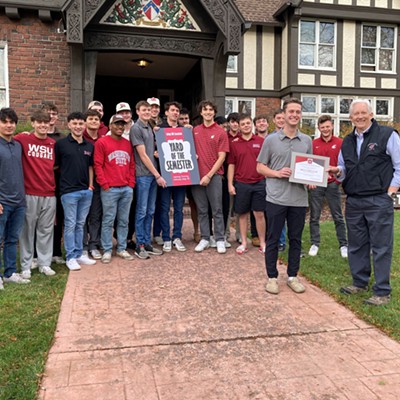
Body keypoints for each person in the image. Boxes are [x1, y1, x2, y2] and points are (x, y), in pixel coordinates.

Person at [328, 99, 400, 306]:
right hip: (354, 201)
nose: (359, 117)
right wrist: (337, 172)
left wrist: (391, 191)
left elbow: (399, 165)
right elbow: (344, 167)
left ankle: (382, 291)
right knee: (357, 245)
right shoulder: (347, 141)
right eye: (355, 114)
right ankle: (359, 282)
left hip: (379, 199)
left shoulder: (387, 135)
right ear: (350, 118)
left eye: (363, 113)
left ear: (371, 114)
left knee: (381, 246)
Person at [257, 98, 312, 295]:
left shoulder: (306, 141)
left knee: (295, 239)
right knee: (273, 239)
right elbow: (260, 166)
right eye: (291, 112)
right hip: (276, 198)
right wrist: (277, 173)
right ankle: (272, 277)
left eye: (298, 112)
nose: (295, 115)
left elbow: (311, 166)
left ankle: (292, 276)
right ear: (284, 114)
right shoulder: (271, 140)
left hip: (298, 199)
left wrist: (311, 179)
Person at [15, 111, 57, 279]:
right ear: (32, 123)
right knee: (27, 230)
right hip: (30, 191)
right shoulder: (23, 139)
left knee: (46, 230)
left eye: (45, 122)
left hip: (49, 192)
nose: (43, 125)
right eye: (39, 122)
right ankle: (26, 265)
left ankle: (44, 263)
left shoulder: (53, 143)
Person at [55, 112, 96, 271]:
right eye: (75, 124)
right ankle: (71, 257)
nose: (78, 127)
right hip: (68, 191)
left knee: (80, 224)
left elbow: (90, 166)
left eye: (81, 124)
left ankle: (79, 254)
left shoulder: (89, 146)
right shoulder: (61, 144)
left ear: (84, 125)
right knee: (71, 224)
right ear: (69, 125)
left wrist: (90, 185)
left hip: (85, 191)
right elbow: (55, 166)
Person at [94, 114, 135, 263]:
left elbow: (131, 164)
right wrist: (104, 184)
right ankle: (106, 250)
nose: (119, 127)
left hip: (126, 188)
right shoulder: (102, 142)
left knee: (123, 220)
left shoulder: (127, 143)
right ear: (110, 126)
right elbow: (98, 165)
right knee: (108, 220)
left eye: (122, 124)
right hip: (109, 189)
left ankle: (121, 248)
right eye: (116, 124)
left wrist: (131, 183)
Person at [192, 100, 229, 254]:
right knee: (201, 209)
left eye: (210, 110)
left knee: (217, 209)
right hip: (196, 176)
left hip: (213, 176)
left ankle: (220, 239)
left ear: (214, 112)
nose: (207, 112)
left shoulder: (221, 132)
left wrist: (208, 175)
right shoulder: (194, 131)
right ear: (201, 112)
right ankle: (205, 238)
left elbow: (222, 157)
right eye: (204, 110)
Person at [308, 115, 348, 258]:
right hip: (317, 184)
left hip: (333, 184)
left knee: (338, 216)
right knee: (314, 216)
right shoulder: (313, 143)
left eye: (327, 126)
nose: (325, 129)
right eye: (322, 127)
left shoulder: (340, 143)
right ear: (318, 128)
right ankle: (315, 243)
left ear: (332, 126)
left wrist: (338, 181)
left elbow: (344, 164)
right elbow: (308, 163)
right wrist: (309, 180)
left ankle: (343, 245)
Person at [130, 100, 165, 259]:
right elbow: (142, 155)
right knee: (142, 210)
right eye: (143, 110)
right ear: (137, 111)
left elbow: (152, 150)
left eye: (148, 110)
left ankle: (146, 241)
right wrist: (157, 175)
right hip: (144, 175)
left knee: (150, 211)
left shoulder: (150, 127)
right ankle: (140, 245)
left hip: (152, 175)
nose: (146, 112)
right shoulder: (136, 128)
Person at [228, 114, 266, 254]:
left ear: (252, 124)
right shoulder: (234, 143)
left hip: (259, 182)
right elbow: (231, 164)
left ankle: (262, 242)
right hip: (241, 183)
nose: (246, 126)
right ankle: (244, 242)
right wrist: (230, 184)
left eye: (248, 123)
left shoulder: (261, 141)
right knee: (242, 214)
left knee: (259, 214)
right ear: (239, 125)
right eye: (243, 124)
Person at [0, 108, 29, 288]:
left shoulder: (17, 145)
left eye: (12, 122)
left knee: (12, 239)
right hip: (2, 202)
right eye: (5, 122)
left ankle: (9, 273)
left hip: (19, 201)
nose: (9, 125)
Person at [156, 101, 187, 252]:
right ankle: (166, 238)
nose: (175, 113)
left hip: (181, 176)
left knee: (179, 208)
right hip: (165, 175)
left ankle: (177, 237)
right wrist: (155, 153)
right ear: (166, 112)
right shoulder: (159, 129)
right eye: (172, 110)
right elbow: (153, 149)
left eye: (177, 111)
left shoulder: (184, 131)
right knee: (164, 208)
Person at [40, 102, 65, 265]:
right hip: (40, 183)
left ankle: (56, 251)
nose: (51, 116)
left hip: (58, 183)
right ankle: (37, 254)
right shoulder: (35, 136)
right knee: (40, 220)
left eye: (54, 113)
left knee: (58, 218)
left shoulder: (61, 138)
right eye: (48, 113)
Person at [82, 109, 106, 260]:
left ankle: (94, 244)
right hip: (82, 183)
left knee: (96, 216)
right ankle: (84, 245)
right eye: (90, 119)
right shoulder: (80, 138)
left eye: (96, 119)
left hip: (99, 183)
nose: (93, 122)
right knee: (83, 217)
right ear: (85, 122)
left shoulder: (103, 139)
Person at [249, 114, 269, 247]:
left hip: (271, 177)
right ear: (255, 125)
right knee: (255, 209)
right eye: (258, 122)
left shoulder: (274, 138)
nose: (261, 123)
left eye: (264, 121)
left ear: (268, 124)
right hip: (256, 179)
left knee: (270, 209)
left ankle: (269, 235)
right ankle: (255, 235)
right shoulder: (252, 140)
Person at [147, 97, 164, 245]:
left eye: (156, 107)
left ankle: (157, 232)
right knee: (146, 206)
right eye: (151, 107)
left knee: (159, 204)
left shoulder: (164, 124)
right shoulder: (143, 124)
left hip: (164, 170)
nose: (154, 110)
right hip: (148, 170)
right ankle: (143, 236)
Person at [272, 108, 287, 252]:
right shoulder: (270, 138)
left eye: (283, 118)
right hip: (273, 180)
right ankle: (274, 240)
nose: (281, 121)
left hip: (290, 181)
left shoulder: (299, 137)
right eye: (279, 118)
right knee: (275, 214)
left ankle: (282, 242)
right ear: (274, 120)